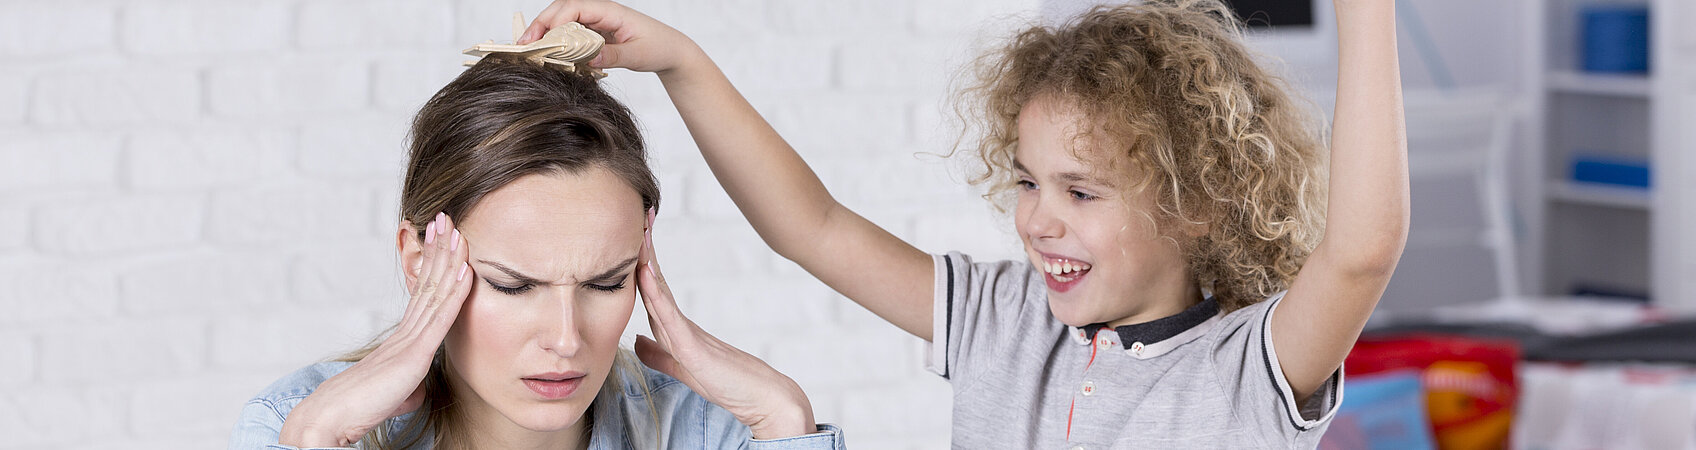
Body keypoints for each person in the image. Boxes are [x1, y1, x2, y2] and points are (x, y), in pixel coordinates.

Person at [520, 0, 1408, 447]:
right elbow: (811, 226)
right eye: (1028, 183)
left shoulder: (1248, 369)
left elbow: (1361, 252)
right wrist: (682, 62)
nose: (1038, 221)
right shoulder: (1006, 319)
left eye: (1083, 192)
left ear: (1199, 203)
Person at [228, 53, 847, 450]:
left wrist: (785, 421)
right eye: (513, 285)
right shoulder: (295, 425)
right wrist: (314, 440)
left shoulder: (709, 432)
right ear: (419, 259)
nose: (567, 339)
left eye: (607, 283)